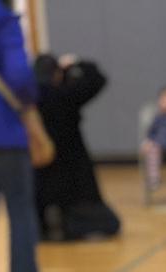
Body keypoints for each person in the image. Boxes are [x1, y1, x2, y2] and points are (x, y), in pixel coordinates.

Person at [0, 0, 58, 272]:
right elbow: (18, 78)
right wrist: (31, 98)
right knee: (20, 213)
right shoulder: (2, 18)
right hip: (3, 132)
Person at [34, 53, 120, 240]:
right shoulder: (65, 95)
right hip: (73, 173)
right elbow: (97, 79)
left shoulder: (30, 100)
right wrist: (76, 63)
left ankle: (47, 228)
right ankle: (67, 228)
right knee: (110, 223)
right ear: (57, 73)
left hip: (40, 170)